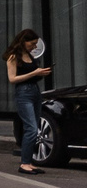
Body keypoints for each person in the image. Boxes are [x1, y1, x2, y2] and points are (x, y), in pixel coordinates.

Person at [9, 28, 55, 173]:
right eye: (32, 43)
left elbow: (32, 75)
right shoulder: (13, 57)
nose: (34, 47)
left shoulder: (30, 55)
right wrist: (34, 72)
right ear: (23, 42)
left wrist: (40, 73)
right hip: (23, 93)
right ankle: (24, 164)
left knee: (35, 129)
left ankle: (29, 162)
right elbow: (12, 79)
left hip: (35, 91)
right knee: (31, 128)